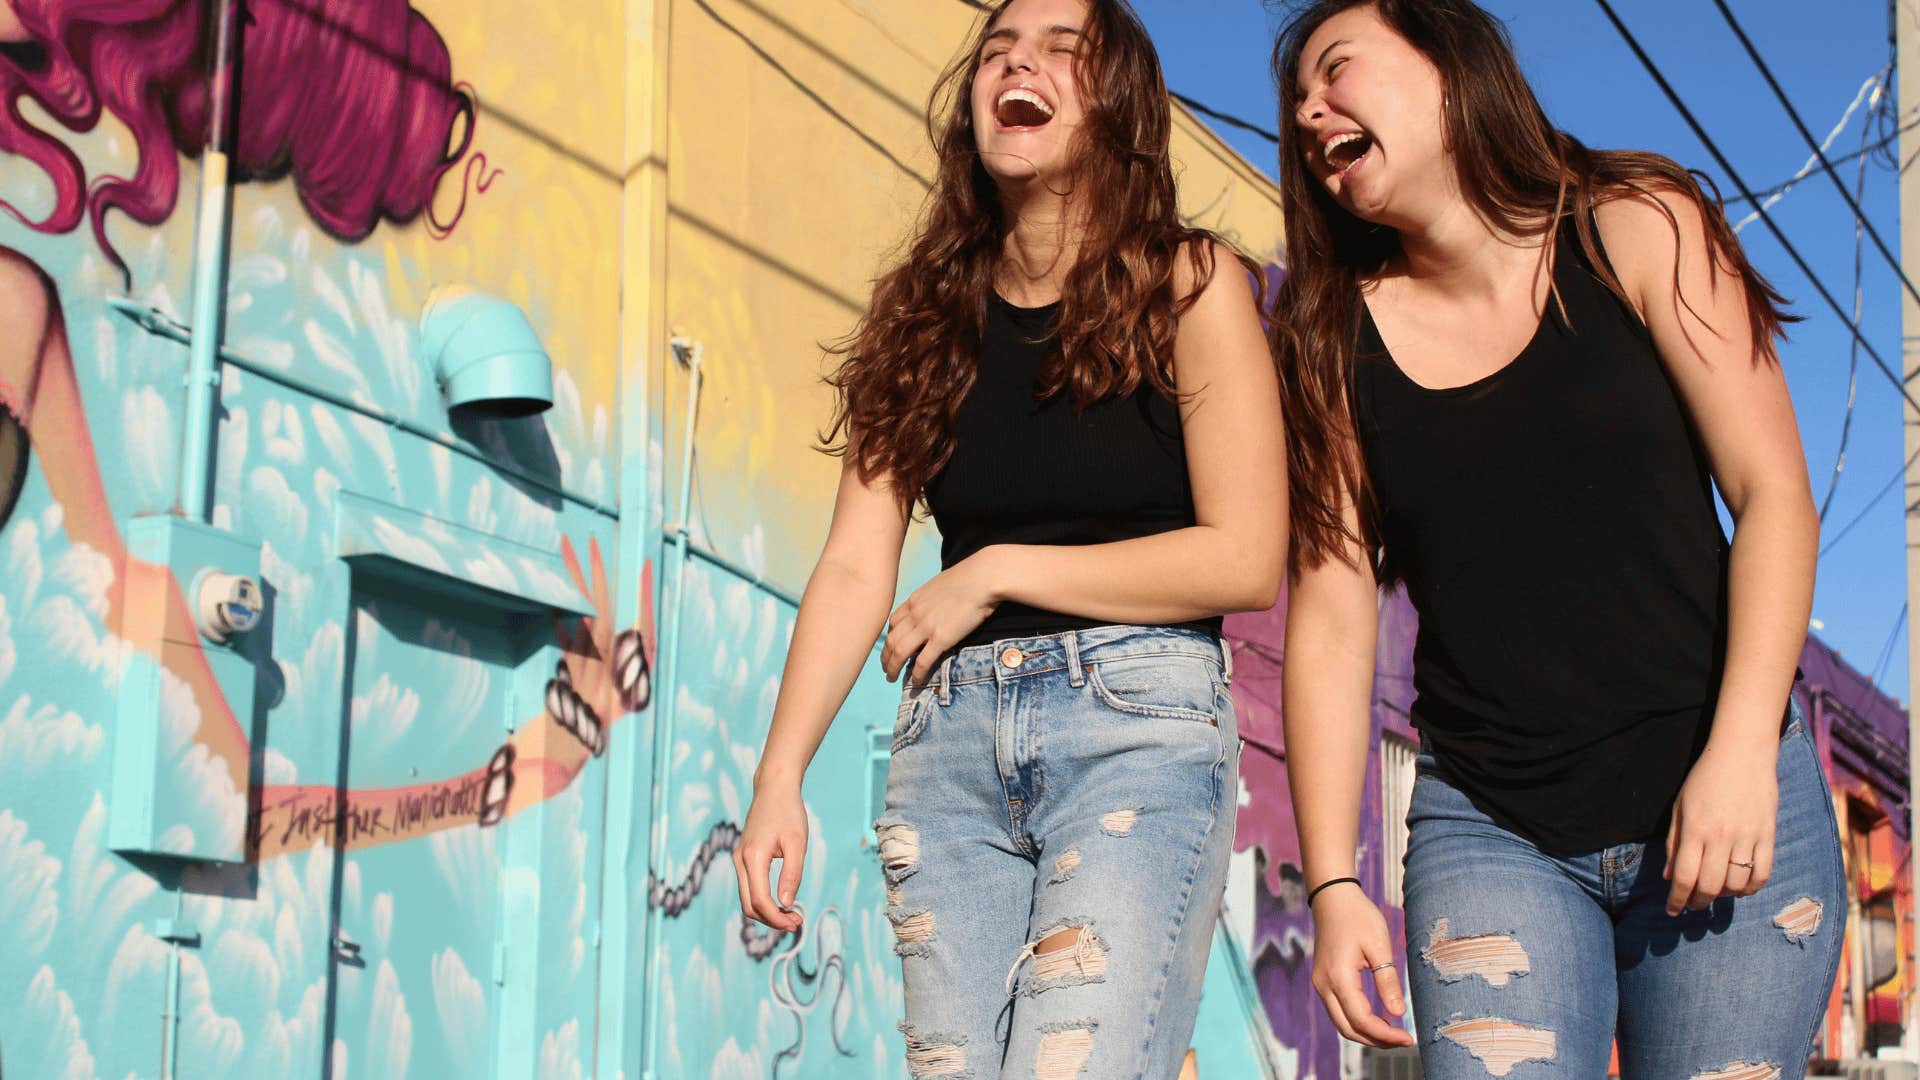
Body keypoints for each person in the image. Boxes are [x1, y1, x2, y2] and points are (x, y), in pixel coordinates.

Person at [1272, 1, 1844, 1074]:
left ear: (1447, 69)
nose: (1309, 111)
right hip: (1494, 828)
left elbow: (1773, 495)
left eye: (1336, 72)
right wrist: (1335, 882)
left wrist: (1739, 752)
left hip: (1716, 791)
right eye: (1296, 100)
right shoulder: (1328, 342)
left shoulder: (1633, 222)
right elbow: (1335, 618)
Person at [732, 0, 1286, 1075]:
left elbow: (1245, 556)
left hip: (1137, 729)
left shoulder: (1191, 284)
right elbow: (854, 561)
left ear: (1117, 105)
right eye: (997, 51)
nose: (1017, 65)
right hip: (950, 748)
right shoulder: (922, 317)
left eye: (1060, 52)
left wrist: (994, 572)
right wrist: (778, 776)